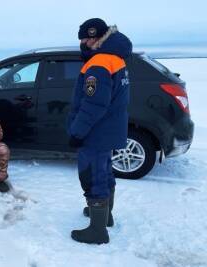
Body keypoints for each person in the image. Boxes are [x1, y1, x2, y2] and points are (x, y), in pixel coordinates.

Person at [67, 18, 132, 244]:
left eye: (85, 38)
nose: (82, 43)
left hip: (95, 132)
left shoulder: (100, 63)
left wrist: (77, 132)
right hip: (108, 130)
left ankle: (97, 231)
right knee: (104, 173)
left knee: (92, 175)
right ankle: (106, 216)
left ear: (95, 38)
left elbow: (94, 104)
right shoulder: (116, 59)